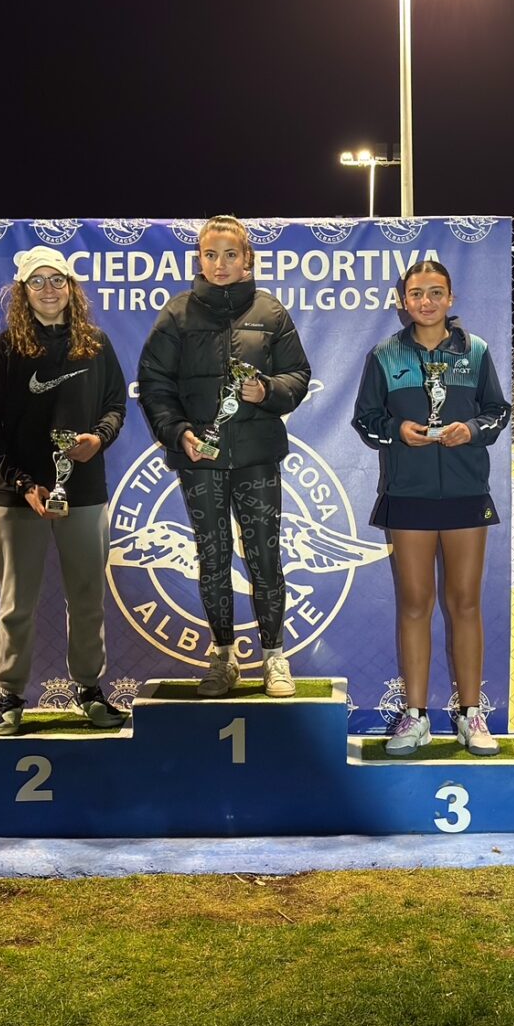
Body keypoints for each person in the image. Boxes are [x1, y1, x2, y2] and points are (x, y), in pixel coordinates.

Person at [137, 215, 311, 698]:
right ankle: (223, 659)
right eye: (210, 255)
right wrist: (178, 433)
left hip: (257, 457)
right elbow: (154, 384)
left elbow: (298, 375)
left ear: (247, 259)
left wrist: (267, 391)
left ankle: (275, 657)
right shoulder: (177, 314)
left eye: (230, 254)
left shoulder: (271, 312)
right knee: (211, 558)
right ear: (199, 260)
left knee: (265, 558)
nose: (220, 263)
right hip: (200, 461)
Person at [354, 259, 511, 757]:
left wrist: (472, 430)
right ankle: (416, 715)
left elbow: (498, 411)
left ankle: (470, 714)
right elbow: (367, 419)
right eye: (416, 293)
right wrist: (397, 431)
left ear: (451, 299)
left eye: (435, 292)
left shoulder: (477, 351)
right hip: (408, 497)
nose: (426, 301)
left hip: (466, 493)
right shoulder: (383, 355)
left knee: (464, 603)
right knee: (415, 605)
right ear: (403, 300)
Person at [0, 245, 128, 736]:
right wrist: (24, 484)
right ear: (22, 291)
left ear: (71, 287)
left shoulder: (96, 345)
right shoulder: (3, 351)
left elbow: (115, 406)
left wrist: (97, 439)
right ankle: (10, 697)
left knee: (86, 597)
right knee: (16, 602)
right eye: (37, 281)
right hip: (19, 496)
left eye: (56, 279)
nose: (48, 289)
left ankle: (88, 689)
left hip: (83, 492)